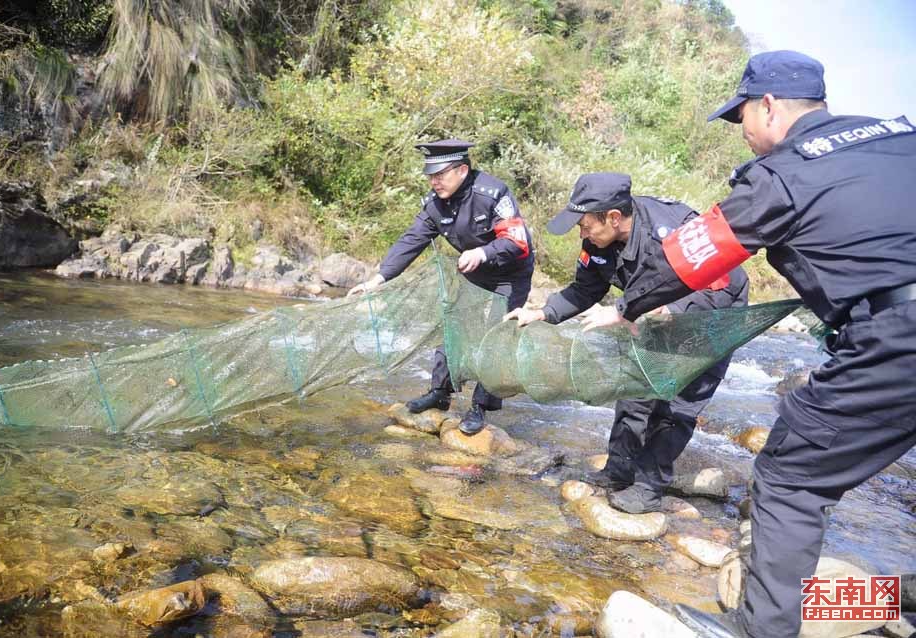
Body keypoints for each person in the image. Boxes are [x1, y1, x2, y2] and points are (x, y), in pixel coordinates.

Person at [580, 51, 916, 638]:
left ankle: (761, 631)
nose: (745, 135)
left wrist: (623, 307)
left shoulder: (786, 172)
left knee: (791, 477)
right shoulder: (899, 138)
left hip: (896, 337)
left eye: (742, 120)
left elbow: (690, 259)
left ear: (768, 106)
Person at [504, 172, 749, 514]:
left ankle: (648, 487)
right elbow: (585, 290)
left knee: (676, 404)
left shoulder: (676, 230)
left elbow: (720, 285)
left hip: (712, 313)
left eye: (586, 225)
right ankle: (618, 472)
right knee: (634, 387)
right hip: (645, 312)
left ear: (614, 218)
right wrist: (543, 312)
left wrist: (666, 310)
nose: (582, 233)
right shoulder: (597, 239)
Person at [348, 139, 534, 435]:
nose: (434, 181)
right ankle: (440, 392)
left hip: (508, 272)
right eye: (430, 176)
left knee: (498, 334)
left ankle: (480, 406)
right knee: (453, 325)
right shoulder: (435, 203)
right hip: (472, 270)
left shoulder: (492, 193)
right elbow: (412, 240)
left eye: (440, 175)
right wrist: (378, 279)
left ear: (461, 170)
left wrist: (483, 252)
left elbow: (517, 241)